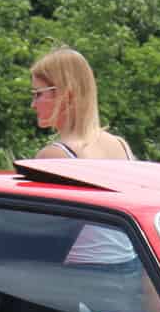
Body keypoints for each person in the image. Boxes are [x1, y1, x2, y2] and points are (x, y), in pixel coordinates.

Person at [28, 46, 139, 270]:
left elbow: (30, 227)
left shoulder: (56, 155)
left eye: (38, 94)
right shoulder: (120, 146)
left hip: (80, 273)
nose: (33, 104)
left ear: (65, 94)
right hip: (129, 268)